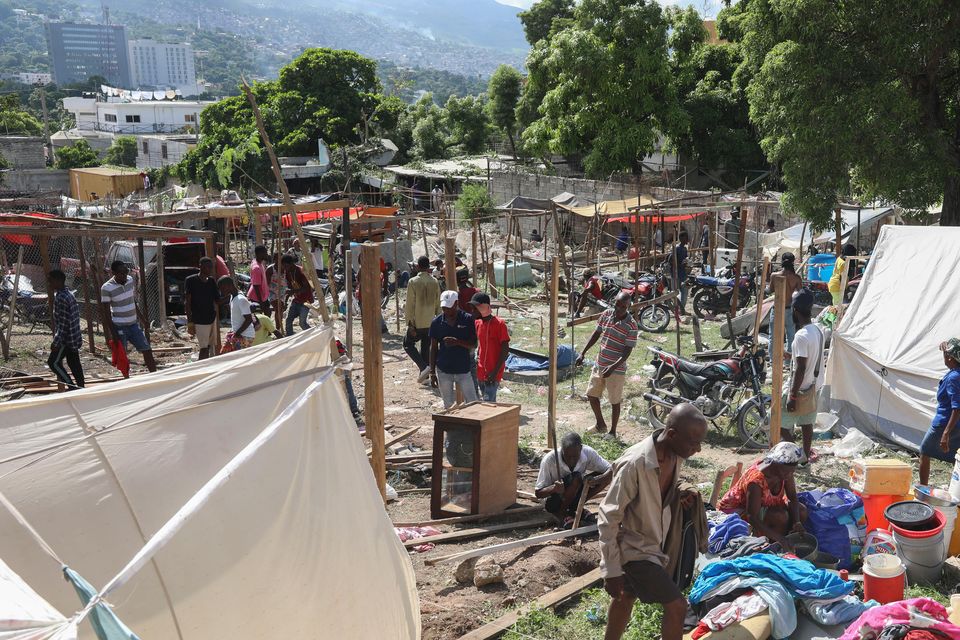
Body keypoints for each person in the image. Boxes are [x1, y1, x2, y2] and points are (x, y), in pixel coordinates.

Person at [599, 403, 708, 640]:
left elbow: (658, 491)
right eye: (693, 443)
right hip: (634, 548)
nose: (697, 449)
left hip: (654, 541)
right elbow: (608, 516)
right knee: (677, 606)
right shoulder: (635, 464)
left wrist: (679, 491)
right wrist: (611, 569)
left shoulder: (675, 454)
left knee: (625, 596)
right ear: (672, 434)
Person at [718, 442, 807, 547]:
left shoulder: (785, 471)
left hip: (762, 506)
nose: (789, 476)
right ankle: (774, 546)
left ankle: (786, 540)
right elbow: (752, 516)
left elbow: (792, 497)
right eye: (786, 472)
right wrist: (779, 538)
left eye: (792, 472)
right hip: (737, 511)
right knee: (779, 516)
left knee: (801, 511)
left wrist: (797, 522)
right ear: (775, 464)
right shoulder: (756, 482)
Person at [576, 292, 639, 439]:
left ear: (628, 306)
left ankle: (612, 432)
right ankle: (600, 425)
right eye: (618, 304)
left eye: (624, 306)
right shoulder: (606, 314)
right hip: (600, 363)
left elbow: (626, 352)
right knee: (592, 395)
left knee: (614, 401)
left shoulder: (631, 325)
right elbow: (596, 334)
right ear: (614, 302)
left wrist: (612, 367)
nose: (620, 308)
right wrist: (583, 352)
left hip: (616, 369)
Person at [535, 431, 612, 526]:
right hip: (554, 502)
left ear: (580, 449)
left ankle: (576, 507)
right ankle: (562, 513)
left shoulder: (588, 453)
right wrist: (554, 488)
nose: (572, 461)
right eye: (568, 456)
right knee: (576, 478)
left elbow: (611, 469)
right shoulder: (549, 460)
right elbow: (538, 493)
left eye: (575, 456)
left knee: (605, 476)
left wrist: (598, 480)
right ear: (562, 450)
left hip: (574, 495)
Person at [782, 291, 824, 463]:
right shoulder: (817, 330)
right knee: (807, 424)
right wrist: (789, 355)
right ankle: (805, 457)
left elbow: (801, 368)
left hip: (800, 389)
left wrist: (792, 395)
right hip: (815, 386)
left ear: (795, 310)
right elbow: (808, 357)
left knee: (779, 423)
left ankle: (798, 455)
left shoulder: (800, 336)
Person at [100, 260, 157, 372]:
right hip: (119, 326)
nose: (125, 275)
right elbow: (106, 312)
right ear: (113, 273)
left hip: (133, 324)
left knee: (147, 349)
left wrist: (142, 319)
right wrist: (113, 333)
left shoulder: (130, 280)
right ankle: (126, 380)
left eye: (126, 272)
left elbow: (133, 301)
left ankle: (155, 375)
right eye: (121, 273)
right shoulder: (106, 288)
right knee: (123, 355)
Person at [919, 339, 960, 485]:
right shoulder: (956, 372)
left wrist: (945, 433)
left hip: (943, 423)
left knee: (925, 451)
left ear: (950, 358)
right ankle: (954, 489)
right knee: (955, 458)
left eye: (945, 355)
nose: (943, 357)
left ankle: (923, 488)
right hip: (955, 424)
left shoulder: (954, 378)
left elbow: (957, 408)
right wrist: (946, 346)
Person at [429, 291, 479, 408]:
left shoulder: (467, 319)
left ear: (456, 303)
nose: (446, 310)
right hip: (444, 371)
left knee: (473, 403)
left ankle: (471, 425)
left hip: (463, 370)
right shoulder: (436, 323)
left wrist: (457, 342)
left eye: (448, 307)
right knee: (449, 406)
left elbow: (473, 344)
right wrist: (432, 372)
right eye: (444, 307)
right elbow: (433, 348)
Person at [404, 256, 441, 382]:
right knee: (425, 348)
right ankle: (425, 375)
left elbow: (410, 304)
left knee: (407, 344)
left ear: (418, 267)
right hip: (431, 322)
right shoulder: (434, 281)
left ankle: (423, 367)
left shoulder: (413, 282)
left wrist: (409, 323)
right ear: (428, 267)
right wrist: (439, 320)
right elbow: (438, 303)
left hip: (417, 322)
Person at [47, 269, 84, 389]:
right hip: (74, 337)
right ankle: (81, 387)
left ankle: (71, 386)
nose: (49, 284)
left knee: (53, 363)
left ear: (58, 281)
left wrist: (56, 342)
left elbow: (63, 325)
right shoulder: (69, 294)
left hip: (66, 339)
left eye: (50, 281)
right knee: (74, 363)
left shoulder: (61, 298)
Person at [470, 292, 510, 402]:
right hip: (481, 371)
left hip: (493, 372)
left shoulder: (499, 324)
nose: (472, 311)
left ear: (483, 308)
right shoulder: (477, 323)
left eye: (475, 308)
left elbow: (505, 349)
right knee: (486, 401)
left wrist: (495, 372)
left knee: (489, 403)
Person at [184, 257, 221, 360]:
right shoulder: (191, 280)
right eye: (208, 267)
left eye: (211, 267)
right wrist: (190, 322)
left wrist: (231, 294)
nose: (210, 269)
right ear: (201, 267)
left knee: (209, 346)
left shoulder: (211, 281)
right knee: (204, 348)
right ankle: (200, 368)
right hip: (199, 319)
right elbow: (187, 302)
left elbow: (217, 300)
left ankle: (204, 366)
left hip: (211, 318)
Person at [772, 253, 804, 358]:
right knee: (791, 336)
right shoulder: (796, 278)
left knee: (774, 336)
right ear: (793, 262)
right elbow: (801, 294)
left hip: (776, 309)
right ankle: (788, 361)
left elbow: (770, 290)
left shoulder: (775, 275)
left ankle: (773, 360)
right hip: (789, 309)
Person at [218, 276, 255, 350]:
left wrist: (237, 333)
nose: (221, 291)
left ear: (229, 285)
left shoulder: (241, 299)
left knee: (241, 359)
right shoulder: (232, 297)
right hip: (239, 334)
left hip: (245, 335)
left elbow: (249, 319)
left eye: (222, 288)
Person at [281, 254, 314, 335]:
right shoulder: (288, 273)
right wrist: (285, 301)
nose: (285, 268)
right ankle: (290, 338)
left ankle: (313, 336)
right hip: (296, 299)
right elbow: (290, 288)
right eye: (283, 266)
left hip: (306, 301)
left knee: (302, 323)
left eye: (286, 266)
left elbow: (306, 288)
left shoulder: (301, 271)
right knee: (288, 320)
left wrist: (292, 291)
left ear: (291, 263)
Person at [247, 245, 271, 315]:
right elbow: (256, 286)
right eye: (265, 253)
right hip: (257, 298)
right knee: (259, 319)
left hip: (263, 296)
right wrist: (261, 303)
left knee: (267, 314)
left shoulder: (258, 263)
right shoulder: (256, 268)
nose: (267, 254)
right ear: (260, 254)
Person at [670, 231, 689, 314]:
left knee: (684, 292)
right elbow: (671, 260)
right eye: (685, 238)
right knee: (675, 292)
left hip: (683, 274)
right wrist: (678, 264)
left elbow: (685, 259)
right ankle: (675, 310)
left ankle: (681, 310)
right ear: (681, 238)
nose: (687, 240)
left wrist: (686, 263)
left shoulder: (684, 249)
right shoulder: (676, 248)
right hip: (675, 273)